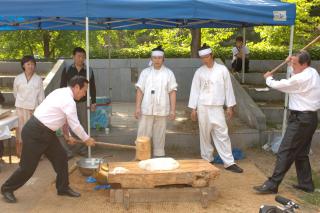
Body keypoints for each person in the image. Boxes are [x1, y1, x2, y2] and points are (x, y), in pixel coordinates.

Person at [1, 76, 96, 203]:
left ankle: (62, 187)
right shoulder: (68, 100)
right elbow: (75, 124)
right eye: (84, 90)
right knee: (27, 168)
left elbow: (63, 119)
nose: (85, 93)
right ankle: (6, 188)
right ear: (77, 87)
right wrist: (86, 139)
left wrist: (67, 135)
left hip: (47, 132)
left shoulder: (60, 92)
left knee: (61, 157)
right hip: (35, 132)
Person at [254, 50, 320, 194]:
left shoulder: (300, 79)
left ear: (304, 64)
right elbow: (294, 74)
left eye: (295, 64)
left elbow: (283, 85)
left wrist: (268, 79)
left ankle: (273, 184)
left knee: (285, 151)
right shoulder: (312, 72)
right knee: (301, 153)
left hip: (301, 120)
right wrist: (291, 61)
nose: (292, 66)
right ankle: (306, 184)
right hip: (309, 119)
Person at [188, 43, 243, 173]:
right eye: (202, 58)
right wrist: (193, 109)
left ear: (211, 55)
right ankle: (207, 159)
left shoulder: (222, 70)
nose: (204, 60)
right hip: (203, 106)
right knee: (205, 134)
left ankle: (229, 162)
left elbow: (228, 88)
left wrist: (230, 106)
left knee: (222, 134)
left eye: (206, 57)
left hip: (217, 107)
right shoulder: (199, 72)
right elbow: (195, 90)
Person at [135, 45, 177, 157]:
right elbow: (140, 90)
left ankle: (159, 155)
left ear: (163, 59)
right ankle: (141, 155)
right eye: (155, 58)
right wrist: (137, 108)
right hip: (147, 108)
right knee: (143, 133)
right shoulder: (145, 73)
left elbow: (172, 92)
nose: (157, 60)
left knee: (160, 134)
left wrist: (173, 110)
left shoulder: (169, 73)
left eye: (159, 58)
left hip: (162, 108)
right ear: (151, 59)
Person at [60, 47, 96, 157]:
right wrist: (62, 100)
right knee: (69, 125)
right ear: (73, 57)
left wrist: (93, 101)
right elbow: (62, 85)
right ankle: (69, 150)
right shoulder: (67, 69)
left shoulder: (88, 70)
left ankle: (83, 149)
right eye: (79, 56)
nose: (81, 59)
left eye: (83, 57)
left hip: (83, 102)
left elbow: (93, 87)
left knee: (83, 125)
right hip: (69, 101)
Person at [13, 55, 45, 158]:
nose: (30, 66)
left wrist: (41, 110)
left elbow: (41, 96)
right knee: (21, 132)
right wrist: (21, 103)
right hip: (20, 109)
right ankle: (22, 154)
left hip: (33, 110)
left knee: (33, 132)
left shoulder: (38, 79)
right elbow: (15, 93)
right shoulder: (18, 78)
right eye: (28, 64)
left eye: (32, 64)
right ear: (23, 65)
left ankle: (35, 155)